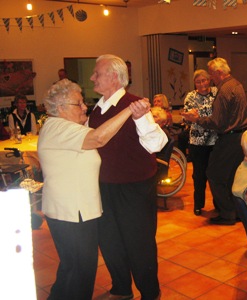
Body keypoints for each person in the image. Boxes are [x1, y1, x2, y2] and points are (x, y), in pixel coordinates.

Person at [38, 79, 141, 300]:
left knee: (72, 269)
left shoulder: (72, 127)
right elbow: (99, 137)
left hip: (76, 211)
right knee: (80, 273)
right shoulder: (57, 126)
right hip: (71, 212)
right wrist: (128, 110)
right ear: (61, 107)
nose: (85, 107)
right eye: (79, 103)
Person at [88, 54, 167, 300]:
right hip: (104, 186)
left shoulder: (136, 105)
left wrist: (139, 119)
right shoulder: (97, 108)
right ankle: (121, 289)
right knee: (110, 241)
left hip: (134, 189)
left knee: (139, 244)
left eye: (97, 73)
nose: (92, 77)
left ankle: (150, 294)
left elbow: (156, 144)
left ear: (113, 76)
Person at [182, 57, 247, 225]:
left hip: (229, 138)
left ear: (219, 72)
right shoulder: (237, 85)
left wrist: (197, 118)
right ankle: (236, 211)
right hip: (240, 136)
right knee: (232, 176)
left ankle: (227, 213)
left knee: (214, 174)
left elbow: (216, 122)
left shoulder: (225, 90)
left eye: (211, 74)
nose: (210, 78)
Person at [183, 69, 218, 216]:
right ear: (194, 83)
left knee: (216, 175)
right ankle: (198, 205)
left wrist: (198, 115)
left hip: (216, 141)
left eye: (204, 80)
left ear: (209, 80)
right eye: (198, 81)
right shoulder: (191, 96)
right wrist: (196, 116)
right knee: (199, 175)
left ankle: (219, 204)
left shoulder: (216, 92)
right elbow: (187, 117)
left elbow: (217, 115)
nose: (202, 84)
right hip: (197, 142)